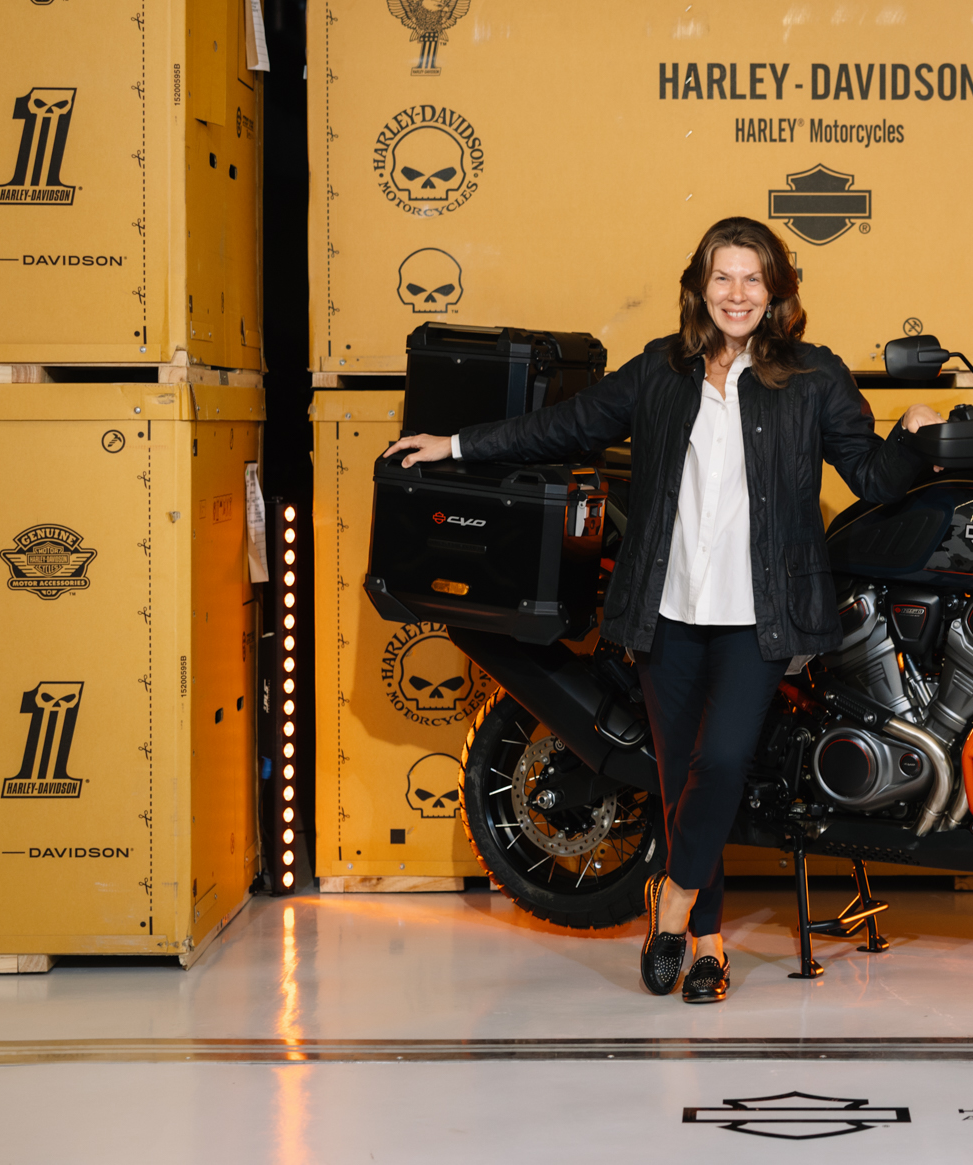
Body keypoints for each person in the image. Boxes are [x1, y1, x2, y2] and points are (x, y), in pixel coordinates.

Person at [384, 217, 944, 1004]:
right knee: (681, 778)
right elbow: (563, 426)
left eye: (753, 278)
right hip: (667, 609)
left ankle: (672, 901)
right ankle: (707, 944)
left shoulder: (812, 376)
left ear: (777, 291)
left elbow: (873, 476)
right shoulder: (661, 369)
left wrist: (915, 435)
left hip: (759, 615)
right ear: (699, 286)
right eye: (723, 277)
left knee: (721, 763)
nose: (737, 294)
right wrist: (456, 445)